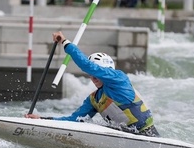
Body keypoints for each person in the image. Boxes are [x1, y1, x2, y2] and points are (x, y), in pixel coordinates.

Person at [25, 31, 160, 137]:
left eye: (97, 72)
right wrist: (41, 119)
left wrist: (65, 42)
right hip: (123, 135)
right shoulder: (94, 99)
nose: (93, 77)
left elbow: (88, 66)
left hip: (147, 134)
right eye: (91, 74)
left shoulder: (119, 79)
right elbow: (75, 120)